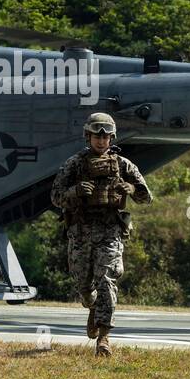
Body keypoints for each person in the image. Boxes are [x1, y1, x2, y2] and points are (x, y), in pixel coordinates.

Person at [49, 112, 153, 356]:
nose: (101, 140)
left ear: (111, 138)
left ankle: (104, 338)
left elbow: (146, 197)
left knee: (107, 279)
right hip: (80, 233)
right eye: (97, 135)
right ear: (88, 136)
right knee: (83, 284)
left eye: (106, 136)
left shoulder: (124, 165)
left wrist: (131, 188)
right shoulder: (74, 164)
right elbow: (55, 197)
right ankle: (92, 305)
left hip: (110, 232)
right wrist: (74, 191)